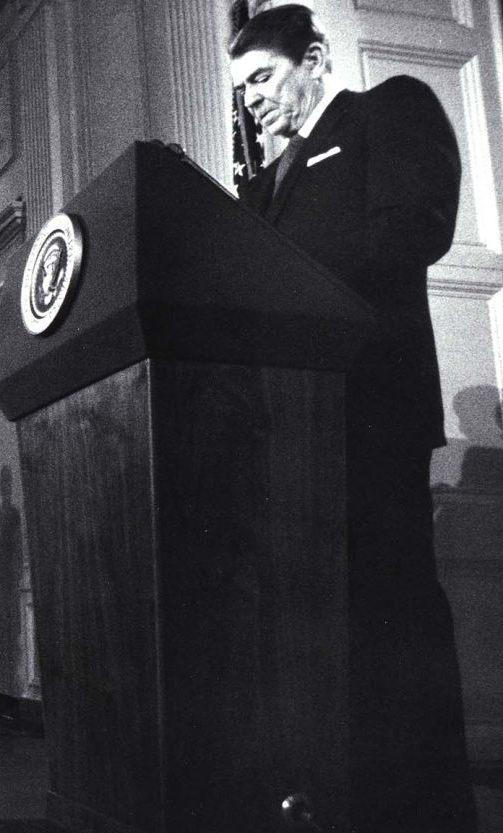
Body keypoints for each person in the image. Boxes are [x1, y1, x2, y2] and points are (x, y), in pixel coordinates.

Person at [229, 8, 474, 832]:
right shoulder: (261, 184)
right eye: (241, 91)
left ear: (315, 58)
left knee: (393, 620)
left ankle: (429, 812)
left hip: (370, 416)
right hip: (283, 434)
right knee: (310, 635)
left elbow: (414, 230)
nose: (252, 101)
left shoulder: (388, 111)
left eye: (262, 78)